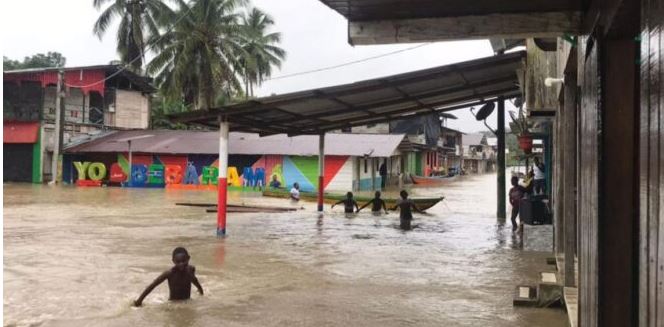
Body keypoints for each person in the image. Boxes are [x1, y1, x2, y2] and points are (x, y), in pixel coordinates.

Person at [133, 247, 204, 307]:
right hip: (173, 305)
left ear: (188, 258)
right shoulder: (169, 273)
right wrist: (139, 301)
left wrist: (201, 292)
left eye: (183, 261)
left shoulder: (191, 269)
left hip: (187, 303)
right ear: (173, 261)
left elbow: (194, 280)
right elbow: (152, 285)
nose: (181, 264)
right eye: (178, 262)